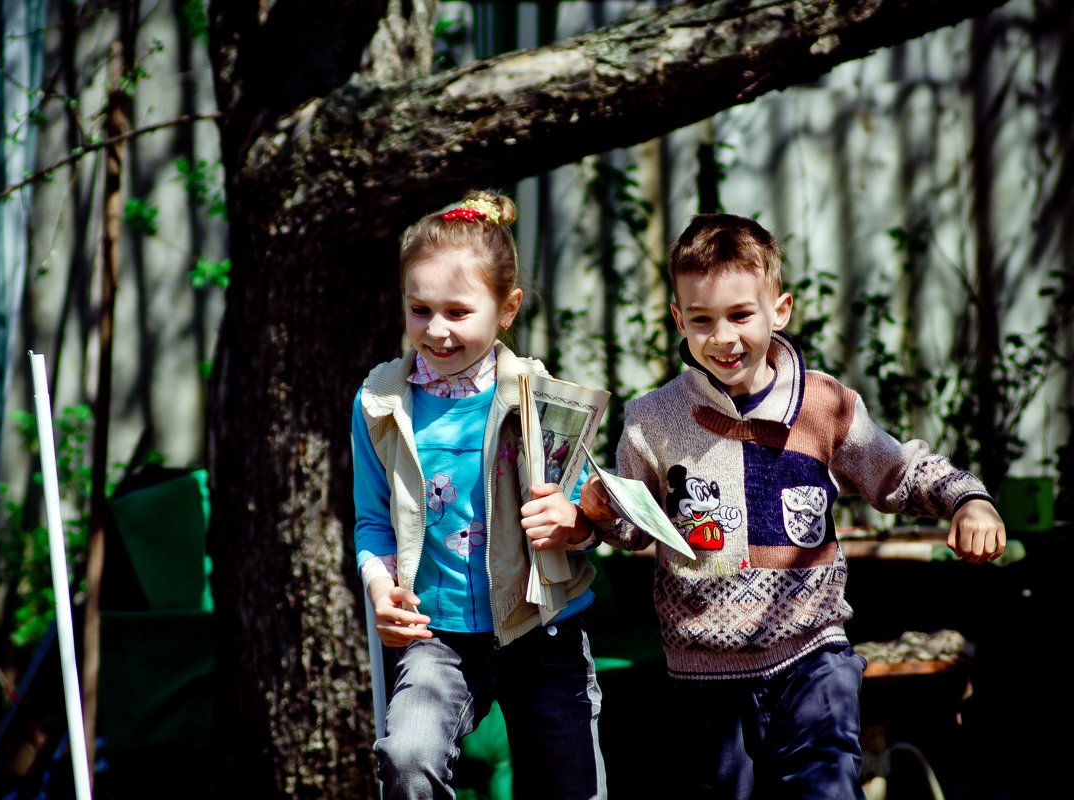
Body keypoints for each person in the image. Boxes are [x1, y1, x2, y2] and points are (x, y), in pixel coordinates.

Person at [580, 213, 1006, 799]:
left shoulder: (825, 405)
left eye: (740, 315)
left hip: (812, 657)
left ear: (778, 311)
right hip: (705, 675)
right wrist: (604, 513)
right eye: (701, 320)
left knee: (826, 789)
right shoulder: (652, 418)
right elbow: (633, 527)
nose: (722, 337)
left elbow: (898, 471)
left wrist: (968, 499)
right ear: (678, 320)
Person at [352, 190, 607, 800]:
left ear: (507, 308)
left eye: (458, 312)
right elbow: (371, 520)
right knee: (408, 757)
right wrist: (380, 587)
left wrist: (576, 521)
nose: (436, 331)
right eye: (420, 310)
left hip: (541, 628)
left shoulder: (538, 398)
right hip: (435, 634)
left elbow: (582, 516)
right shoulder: (380, 403)